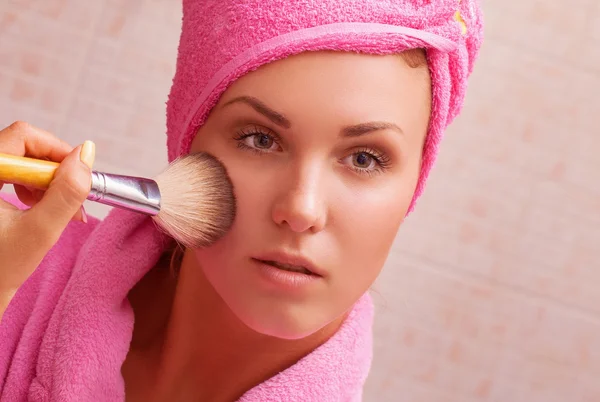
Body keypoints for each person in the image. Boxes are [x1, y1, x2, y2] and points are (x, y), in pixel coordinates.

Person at [0, 0, 483, 401]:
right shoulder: (14, 274)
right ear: (187, 146)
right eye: (259, 139)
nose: (301, 209)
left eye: (363, 158)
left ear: (414, 186)